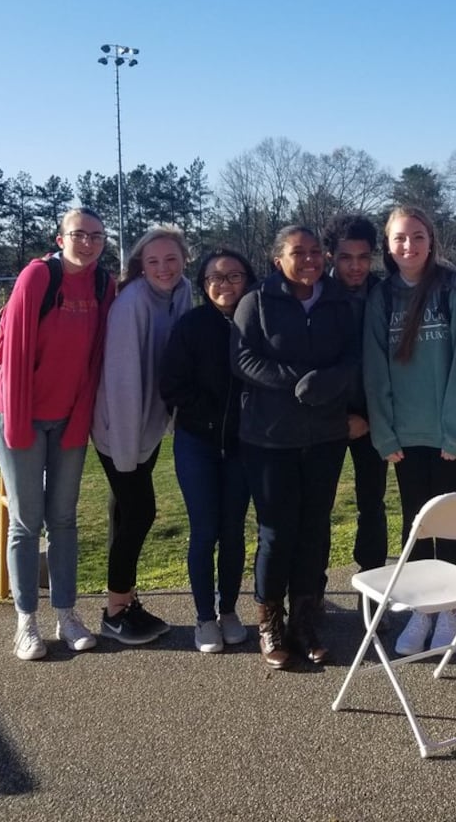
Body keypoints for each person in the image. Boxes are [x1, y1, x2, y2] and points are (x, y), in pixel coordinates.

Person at [0, 208, 116, 661]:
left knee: (63, 518)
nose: (88, 243)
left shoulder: (104, 284)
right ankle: (26, 621)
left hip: (67, 419)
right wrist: (20, 427)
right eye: (79, 234)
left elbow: (94, 359)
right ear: (60, 238)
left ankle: (66, 612)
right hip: (19, 415)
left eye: (96, 236)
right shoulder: (38, 277)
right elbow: (15, 356)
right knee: (26, 520)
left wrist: (79, 420)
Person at [232, 225, 358, 669]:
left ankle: (306, 619)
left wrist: (328, 383)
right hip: (269, 438)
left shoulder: (339, 301)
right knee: (277, 532)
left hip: (325, 437)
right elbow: (244, 359)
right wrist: (296, 382)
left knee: (314, 528)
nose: (309, 259)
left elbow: (354, 356)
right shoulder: (257, 301)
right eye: (297, 252)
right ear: (277, 259)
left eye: (315, 252)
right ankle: (270, 621)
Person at [364, 206, 456, 657]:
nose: (408, 246)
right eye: (399, 239)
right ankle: (422, 609)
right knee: (415, 524)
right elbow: (375, 368)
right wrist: (385, 434)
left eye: (417, 236)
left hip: (451, 435)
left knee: (448, 526)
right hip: (405, 435)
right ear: (388, 245)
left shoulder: (453, 289)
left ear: (431, 240)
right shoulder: (381, 297)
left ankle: (451, 610)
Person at [91, 225, 192, 645]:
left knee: (123, 511)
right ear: (139, 266)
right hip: (120, 428)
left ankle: (123, 600)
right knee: (141, 512)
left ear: (183, 260)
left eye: (171, 259)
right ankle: (116, 609)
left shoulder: (183, 290)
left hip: (148, 425)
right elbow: (122, 382)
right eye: (153, 261)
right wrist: (127, 452)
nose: (163, 269)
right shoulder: (131, 303)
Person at [161, 248, 258, 654]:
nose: (224, 284)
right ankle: (204, 617)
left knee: (234, 531)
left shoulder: (259, 320)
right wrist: (211, 416)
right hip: (198, 442)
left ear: (248, 279)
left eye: (233, 276)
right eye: (215, 278)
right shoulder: (192, 324)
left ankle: (229, 609)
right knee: (205, 531)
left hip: (243, 445)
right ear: (203, 285)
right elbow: (172, 384)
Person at [323, 213, 389, 574]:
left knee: (373, 505)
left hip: (373, 417)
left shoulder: (384, 293)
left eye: (363, 257)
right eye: (347, 257)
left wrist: (372, 416)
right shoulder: (316, 294)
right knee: (318, 507)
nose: (356, 267)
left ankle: (373, 583)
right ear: (331, 255)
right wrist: (337, 417)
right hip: (325, 418)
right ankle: (310, 593)